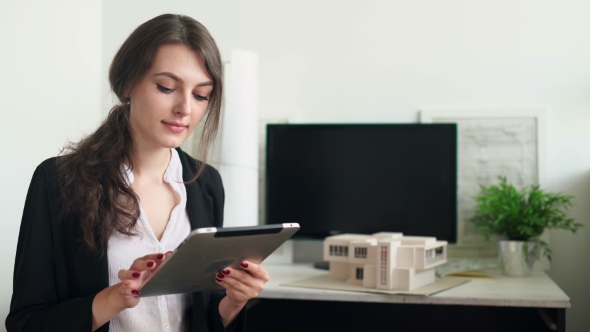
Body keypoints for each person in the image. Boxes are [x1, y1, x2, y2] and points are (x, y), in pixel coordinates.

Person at [6, 13, 268, 332]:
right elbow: (26, 322)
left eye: (201, 95)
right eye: (167, 87)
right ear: (128, 83)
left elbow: (203, 316)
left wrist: (233, 301)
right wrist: (117, 297)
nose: (185, 108)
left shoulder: (206, 184)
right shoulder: (59, 181)